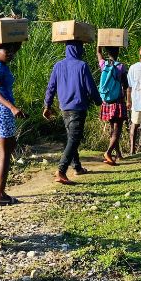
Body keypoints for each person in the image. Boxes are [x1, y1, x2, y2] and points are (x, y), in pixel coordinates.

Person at [43, 41, 101, 184]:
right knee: (74, 139)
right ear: (78, 49)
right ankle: (61, 171)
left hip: (64, 108)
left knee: (71, 138)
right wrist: (99, 102)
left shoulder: (58, 66)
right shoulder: (82, 66)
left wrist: (47, 105)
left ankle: (77, 167)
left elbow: (51, 87)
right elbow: (91, 88)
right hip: (78, 108)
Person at [0, 43, 27, 205]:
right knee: (5, 152)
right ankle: (0, 195)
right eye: (6, 51)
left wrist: (18, 34)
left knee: (10, 146)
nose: (10, 53)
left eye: (11, 50)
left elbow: (13, 48)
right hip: (2, 110)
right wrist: (12, 108)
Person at [96, 45, 128, 165]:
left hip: (106, 102)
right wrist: (127, 99)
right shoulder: (120, 66)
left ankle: (118, 154)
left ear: (106, 52)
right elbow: (126, 85)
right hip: (118, 101)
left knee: (112, 129)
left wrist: (99, 43)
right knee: (117, 129)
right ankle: (108, 152)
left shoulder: (103, 64)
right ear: (118, 51)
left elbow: (98, 53)